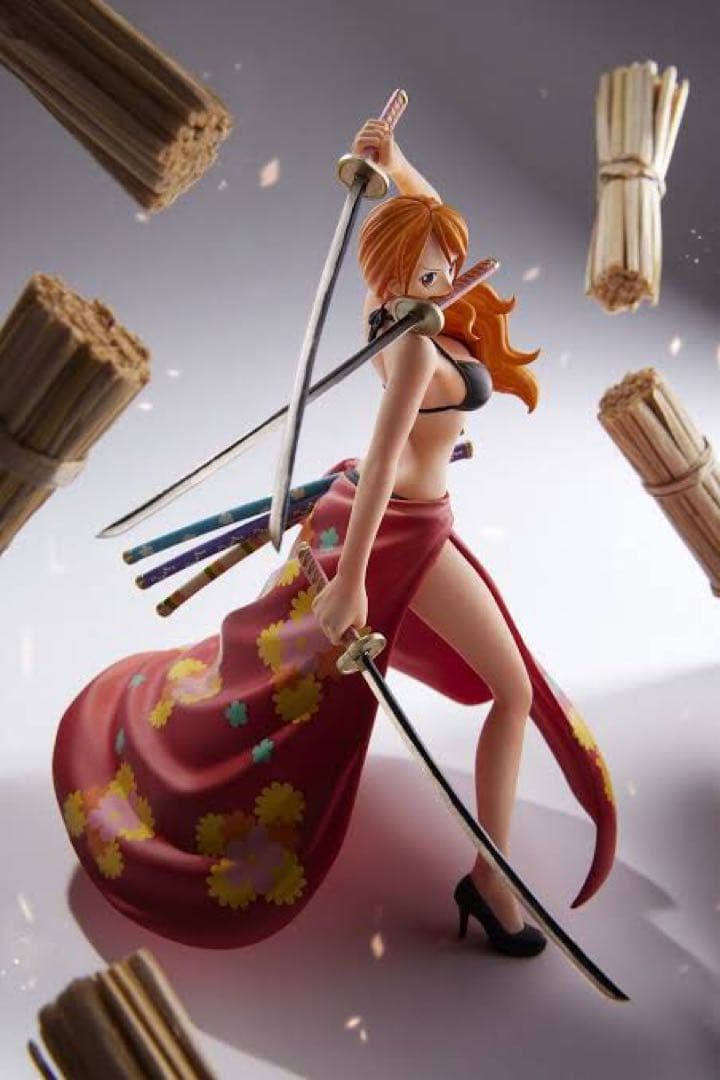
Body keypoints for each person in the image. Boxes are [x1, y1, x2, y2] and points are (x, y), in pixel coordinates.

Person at [53, 119, 616, 955]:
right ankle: (491, 883)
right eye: (432, 272)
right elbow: (384, 462)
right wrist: (352, 580)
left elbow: (424, 218)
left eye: (447, 268)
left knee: (512, 686)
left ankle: (489, 876)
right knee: (513, 690)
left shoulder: (396, 302)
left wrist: (395, 163)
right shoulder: (413, 347)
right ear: (397, 274)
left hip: (410, 517)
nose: (448, 282)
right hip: (399, 529)